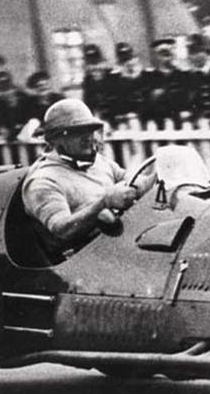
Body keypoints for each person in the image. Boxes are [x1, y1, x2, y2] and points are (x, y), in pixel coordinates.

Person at [22, 99, 146, 251]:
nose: (88, 137)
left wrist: (157, 178)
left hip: (118, 242)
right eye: (77, 132)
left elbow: (131, 179)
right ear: (55, 139)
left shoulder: (98, 162)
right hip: (81, 260)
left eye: (90, 130)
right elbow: (61, 229)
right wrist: (104, 202)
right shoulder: (43, 181)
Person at [143, 37, 188, 125]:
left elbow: (188, 98)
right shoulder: (149, 76)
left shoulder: (183, 75)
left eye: (168, 53)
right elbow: (146, 102)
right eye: (162, 54)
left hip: (180, 119)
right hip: (157, 119)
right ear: (156, 56)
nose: (166, 58)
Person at [109, 42, 150, 123]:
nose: (126, 59)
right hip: (123, 109)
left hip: (139, 109)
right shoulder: (115, 74)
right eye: (122, 54)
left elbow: (145, 91)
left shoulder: (141, 71)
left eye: (127, 54)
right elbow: (115, 94)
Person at [81, 44, 117, 123]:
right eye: (93, 70)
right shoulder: (88, 80)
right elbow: (87, 100)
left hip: (112, 108)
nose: (96, 72)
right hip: (97, 108)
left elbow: (117, 94)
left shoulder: (110, 76)